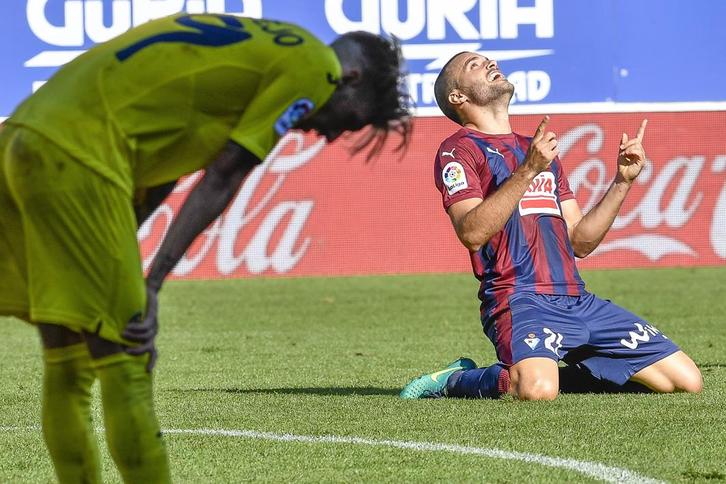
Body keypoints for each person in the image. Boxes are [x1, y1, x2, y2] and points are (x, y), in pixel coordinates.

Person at [0, 13, 411, 483]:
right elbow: (226, 175)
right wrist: (150, 284)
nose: (334, 134)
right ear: (350, 77)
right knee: (127, 355)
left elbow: (166, 167)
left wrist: (123, 264)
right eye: (353, 120)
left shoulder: (257, 51)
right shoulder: (315, 66)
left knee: (66, 354)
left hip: (22, 139)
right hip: (83, 157)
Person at [399, 51, 701, 401]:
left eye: (487, 60)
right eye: (475, 65)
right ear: (458, 97)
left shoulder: (537, 149)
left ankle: (545, 373)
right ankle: (455, 380)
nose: (490, 64)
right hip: (519, 298)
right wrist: (528, 170)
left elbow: (580, 242)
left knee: (684, 381)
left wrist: (622, 181)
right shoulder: (459, 151)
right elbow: (471, 233)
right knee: (537, 390)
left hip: (576, 299)